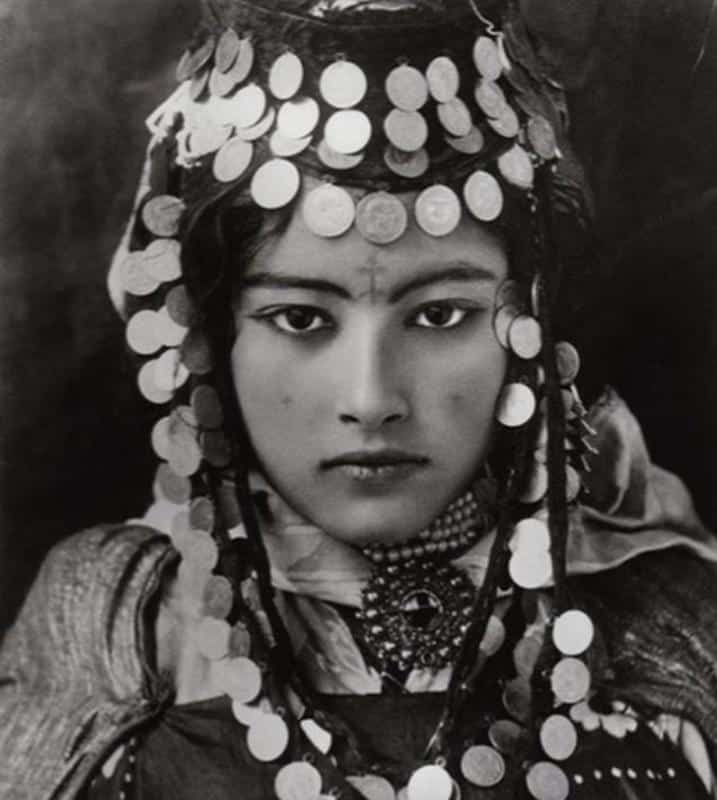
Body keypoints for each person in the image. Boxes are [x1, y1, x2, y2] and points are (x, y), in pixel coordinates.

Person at [2, 1, 717, 798]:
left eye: (439, 315)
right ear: (210, 337)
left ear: (531, 334)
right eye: (300, 318)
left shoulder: (672, 627)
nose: (370, 398)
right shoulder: (119, 629)